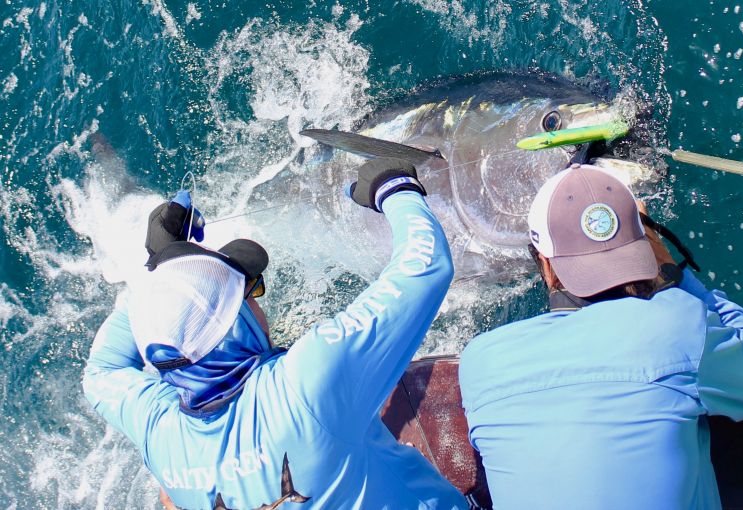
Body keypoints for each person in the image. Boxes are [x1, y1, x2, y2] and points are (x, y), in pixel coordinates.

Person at [82, 159, 469, 509]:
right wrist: (395, 188)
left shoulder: (159, 430)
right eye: (252, 291)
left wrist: (160, 270)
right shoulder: (306, 382)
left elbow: (102, 370)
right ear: (235, 328)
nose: (258, 302)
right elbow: (424, 268)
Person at [458, 164, 743, 509]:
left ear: (545, 263)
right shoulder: (676, 322)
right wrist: (679, 278)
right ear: (644, 246)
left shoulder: (480, 361)